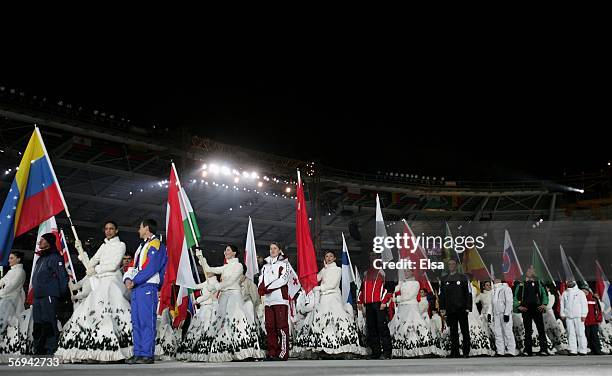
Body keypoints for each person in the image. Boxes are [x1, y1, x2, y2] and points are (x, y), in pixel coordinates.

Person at [56, 220, 133, 363]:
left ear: (116, 231)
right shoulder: (103, 246)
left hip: (112, 281)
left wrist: (95, 269)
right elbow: (90, 263)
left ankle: (116, 352)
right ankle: (92, 351)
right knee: (89, 314)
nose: (108, 231)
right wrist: (81, 252)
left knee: (111, 316)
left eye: (111, 229)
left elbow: (113, 265)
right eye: (106, 229)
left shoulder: (120, 245)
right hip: (101, 282)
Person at [198, 244, 264, 362]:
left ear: (234, 253)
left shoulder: (238, 266)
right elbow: (209, 269)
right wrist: (201, 258)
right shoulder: (225, 267)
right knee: (221, 322)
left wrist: (216, 286)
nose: (225, 252)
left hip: (234, 295)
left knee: (236, 321)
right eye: (225, 250)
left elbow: (231, 281)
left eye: (228, 250)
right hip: (224, 296)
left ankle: (244, 352)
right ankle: (225, 351)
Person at [294, 250, 364, 359]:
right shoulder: (324, 270)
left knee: (336, 321)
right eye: (327, 256)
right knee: (320, 322)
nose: (329, 258)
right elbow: (316, 279)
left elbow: (332, 284)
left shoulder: (337, 269)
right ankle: (323, 348)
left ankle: (342, 348)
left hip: (333, 298)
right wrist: (309, 271)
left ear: (335, 258)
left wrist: (318, 288)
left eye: (331, 256)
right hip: (323, 298)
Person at [123, 219, 168, 364]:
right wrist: (128, 279)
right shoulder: (141, 247)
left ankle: (147, 354)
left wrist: (134, 281)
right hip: (137, 287)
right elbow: (132, 266)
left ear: (147, 228)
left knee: (146, 321)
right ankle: (138, 353)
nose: (138, 230)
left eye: (140, 227)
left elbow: (151, 267)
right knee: (136, 322)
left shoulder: (156, 245)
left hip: (147, 286)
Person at [31, 233, 69, 355]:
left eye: (42, 240)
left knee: (49, 322)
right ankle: (39, 348)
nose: (39, 242)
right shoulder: (40, 258)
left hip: (49, 295)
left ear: (49, 242)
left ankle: (50, 348)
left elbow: (62, 276)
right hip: (38, 296)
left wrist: (62, 294)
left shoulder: (55, 257)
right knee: (38, 323)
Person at [258, 242, 293, 361]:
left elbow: (283, 280)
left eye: (275, 248)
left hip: (280, 300)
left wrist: (268, 288)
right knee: (270, 327)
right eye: (270, 249)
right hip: (268, 301)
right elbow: (260, 280)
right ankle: (272, 352)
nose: (272, 250)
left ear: (279, 250)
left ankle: (283, 353)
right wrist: (260, 288)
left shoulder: (284, 264)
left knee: (282, 327)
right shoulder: (265, 266)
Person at [390, 269, 435, 358]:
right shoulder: (402, 283)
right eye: (405, 271)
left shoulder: (416, 283)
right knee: (400, 329)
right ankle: (401, 351)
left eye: (408, 271)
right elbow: (393, 291)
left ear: (412, 272)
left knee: (413, 328)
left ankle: (416, 350)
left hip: (411, 309)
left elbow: (410, 295)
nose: (406, 273)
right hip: (402, 309)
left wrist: (397, 299)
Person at [176, 271, 219, 361]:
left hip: (209, 309)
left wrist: (197, 300)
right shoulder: (208, 281)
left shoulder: (214, 283)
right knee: (198, 330)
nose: (207, 272)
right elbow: (196, 286)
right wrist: (187, 281)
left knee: (205, 329)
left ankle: (206, 352)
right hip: (204, 308)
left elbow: (207, 296)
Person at [357, 253, 393, 359]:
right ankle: (376, 352)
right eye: (371, 255)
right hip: (368, 304)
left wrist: (384, 301)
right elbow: (362, 288)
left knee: (382, 328)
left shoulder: (383, 271)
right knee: (371, 328)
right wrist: (359, 301)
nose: (372, 257)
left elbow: (389, 288)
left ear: (378, 258)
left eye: (374, 256)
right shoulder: (367, 273)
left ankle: (387, 352)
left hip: (379, 304)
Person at [513, 266, 550, 356]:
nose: (531, 271)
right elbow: (515, 297)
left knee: (541, 329)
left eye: (532, 270)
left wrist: (544, 304)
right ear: (526, 272)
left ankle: (544, 349)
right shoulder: (520, 283)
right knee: (528, 330)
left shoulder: (539, 283)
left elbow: (545, 294)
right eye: (529, 270)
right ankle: (527, 350)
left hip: (537, 308)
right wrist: (518, 306)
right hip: (526, 309)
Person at [439, 259, 471, 358]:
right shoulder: (444, 279)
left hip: (462, 309)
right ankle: (455, 352)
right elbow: (442, 295)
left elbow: (468, 293)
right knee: (453, 331)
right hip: (450, 309)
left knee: (465, 331)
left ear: (456, 265)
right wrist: (442, 307)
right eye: (449, 264)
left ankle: (466, 352)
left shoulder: (463, 277)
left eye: (453, 264)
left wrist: (468, 307)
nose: (451, 265)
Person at [0, 251, 26, 354]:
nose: (9, 260)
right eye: (9, 258)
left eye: (11, 258)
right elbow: (2, 281)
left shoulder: (20, 272)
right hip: (5, 299)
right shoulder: (11, 271)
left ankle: (11, 349)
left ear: (18, 259)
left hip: (12, 301)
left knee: (10, 324)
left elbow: (10, 287)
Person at [560, 280, 588, 355]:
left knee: (580, 333)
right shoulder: (565, 293)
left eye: (571, 281)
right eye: (568, 282)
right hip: (568, 316)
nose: (569, 283)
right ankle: (573, 350)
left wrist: (584, 315)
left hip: (578, 316)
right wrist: (562, 313)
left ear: (575, 282)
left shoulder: (580, 293)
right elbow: (562, 304)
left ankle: (583, 350)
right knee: (570, 333)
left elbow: (584, 304)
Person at [490, 277, 515, 356]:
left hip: (503, 313)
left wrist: (507, 313)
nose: (494, 280)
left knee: (507, 332)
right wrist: (489, 313)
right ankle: (500, 350)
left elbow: (509, 301)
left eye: (496, 279)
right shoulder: (493, 290)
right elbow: (492, 303)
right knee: (498, 333)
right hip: (496, 314)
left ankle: (511, 350)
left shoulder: (506, 288)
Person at [582, 285, 604, 355]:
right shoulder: (581, 299)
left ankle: (598, 350)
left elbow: (598, 309)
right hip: (585, 321)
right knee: (587, 336)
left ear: (588, 290)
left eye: (585, 290)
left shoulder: (593, 298)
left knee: (595, 336)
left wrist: (598, 318)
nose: (584, 291)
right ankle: (591, 349)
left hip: (593, 321)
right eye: (582, 290)